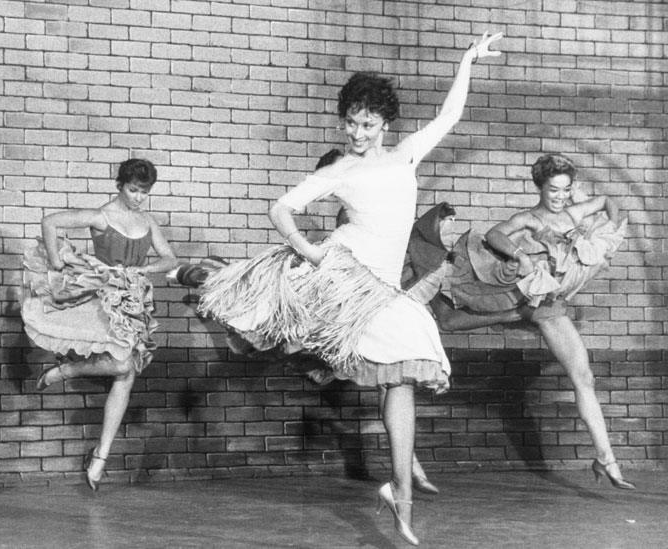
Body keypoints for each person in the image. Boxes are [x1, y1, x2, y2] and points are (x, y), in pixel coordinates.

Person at [197, 33, 503, 546]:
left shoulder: (405, 155)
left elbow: (450, 117)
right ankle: (208, 284)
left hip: (379, 288)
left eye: (367, 123)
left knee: (401, 378)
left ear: (385, 124)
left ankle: (400, 491)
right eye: (351, 122)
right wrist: (309, 250)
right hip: (341, 273)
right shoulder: (342, 169)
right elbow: (280, 208)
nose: (358, 132)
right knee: (264, 326)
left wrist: (465, 61)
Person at [413, 153, 633, 489]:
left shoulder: (575, 211)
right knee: (451, 320)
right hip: (532, 297)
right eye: (553, 190)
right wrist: (520, 257)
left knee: (583, 376)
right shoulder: (530, 218)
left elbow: (607, 202)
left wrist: (606, 244)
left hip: (551, 302)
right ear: (540, 188)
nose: (559, 197)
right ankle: (606, 458)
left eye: (565, 190)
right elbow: (495, 235)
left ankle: (605, 458)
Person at [21, 158, 177, 491]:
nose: (138, 197)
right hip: (104, 301)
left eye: (144, 192)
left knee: (127, 372)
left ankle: (100, 456)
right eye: (133, 190)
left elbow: (169, 258)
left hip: (135, 301)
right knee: (122, 364)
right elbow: (50, 222)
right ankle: (66, 372)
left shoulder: (147, 220)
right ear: (120, 185)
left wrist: (147, 271)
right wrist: (56, 262)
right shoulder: (102, 216)